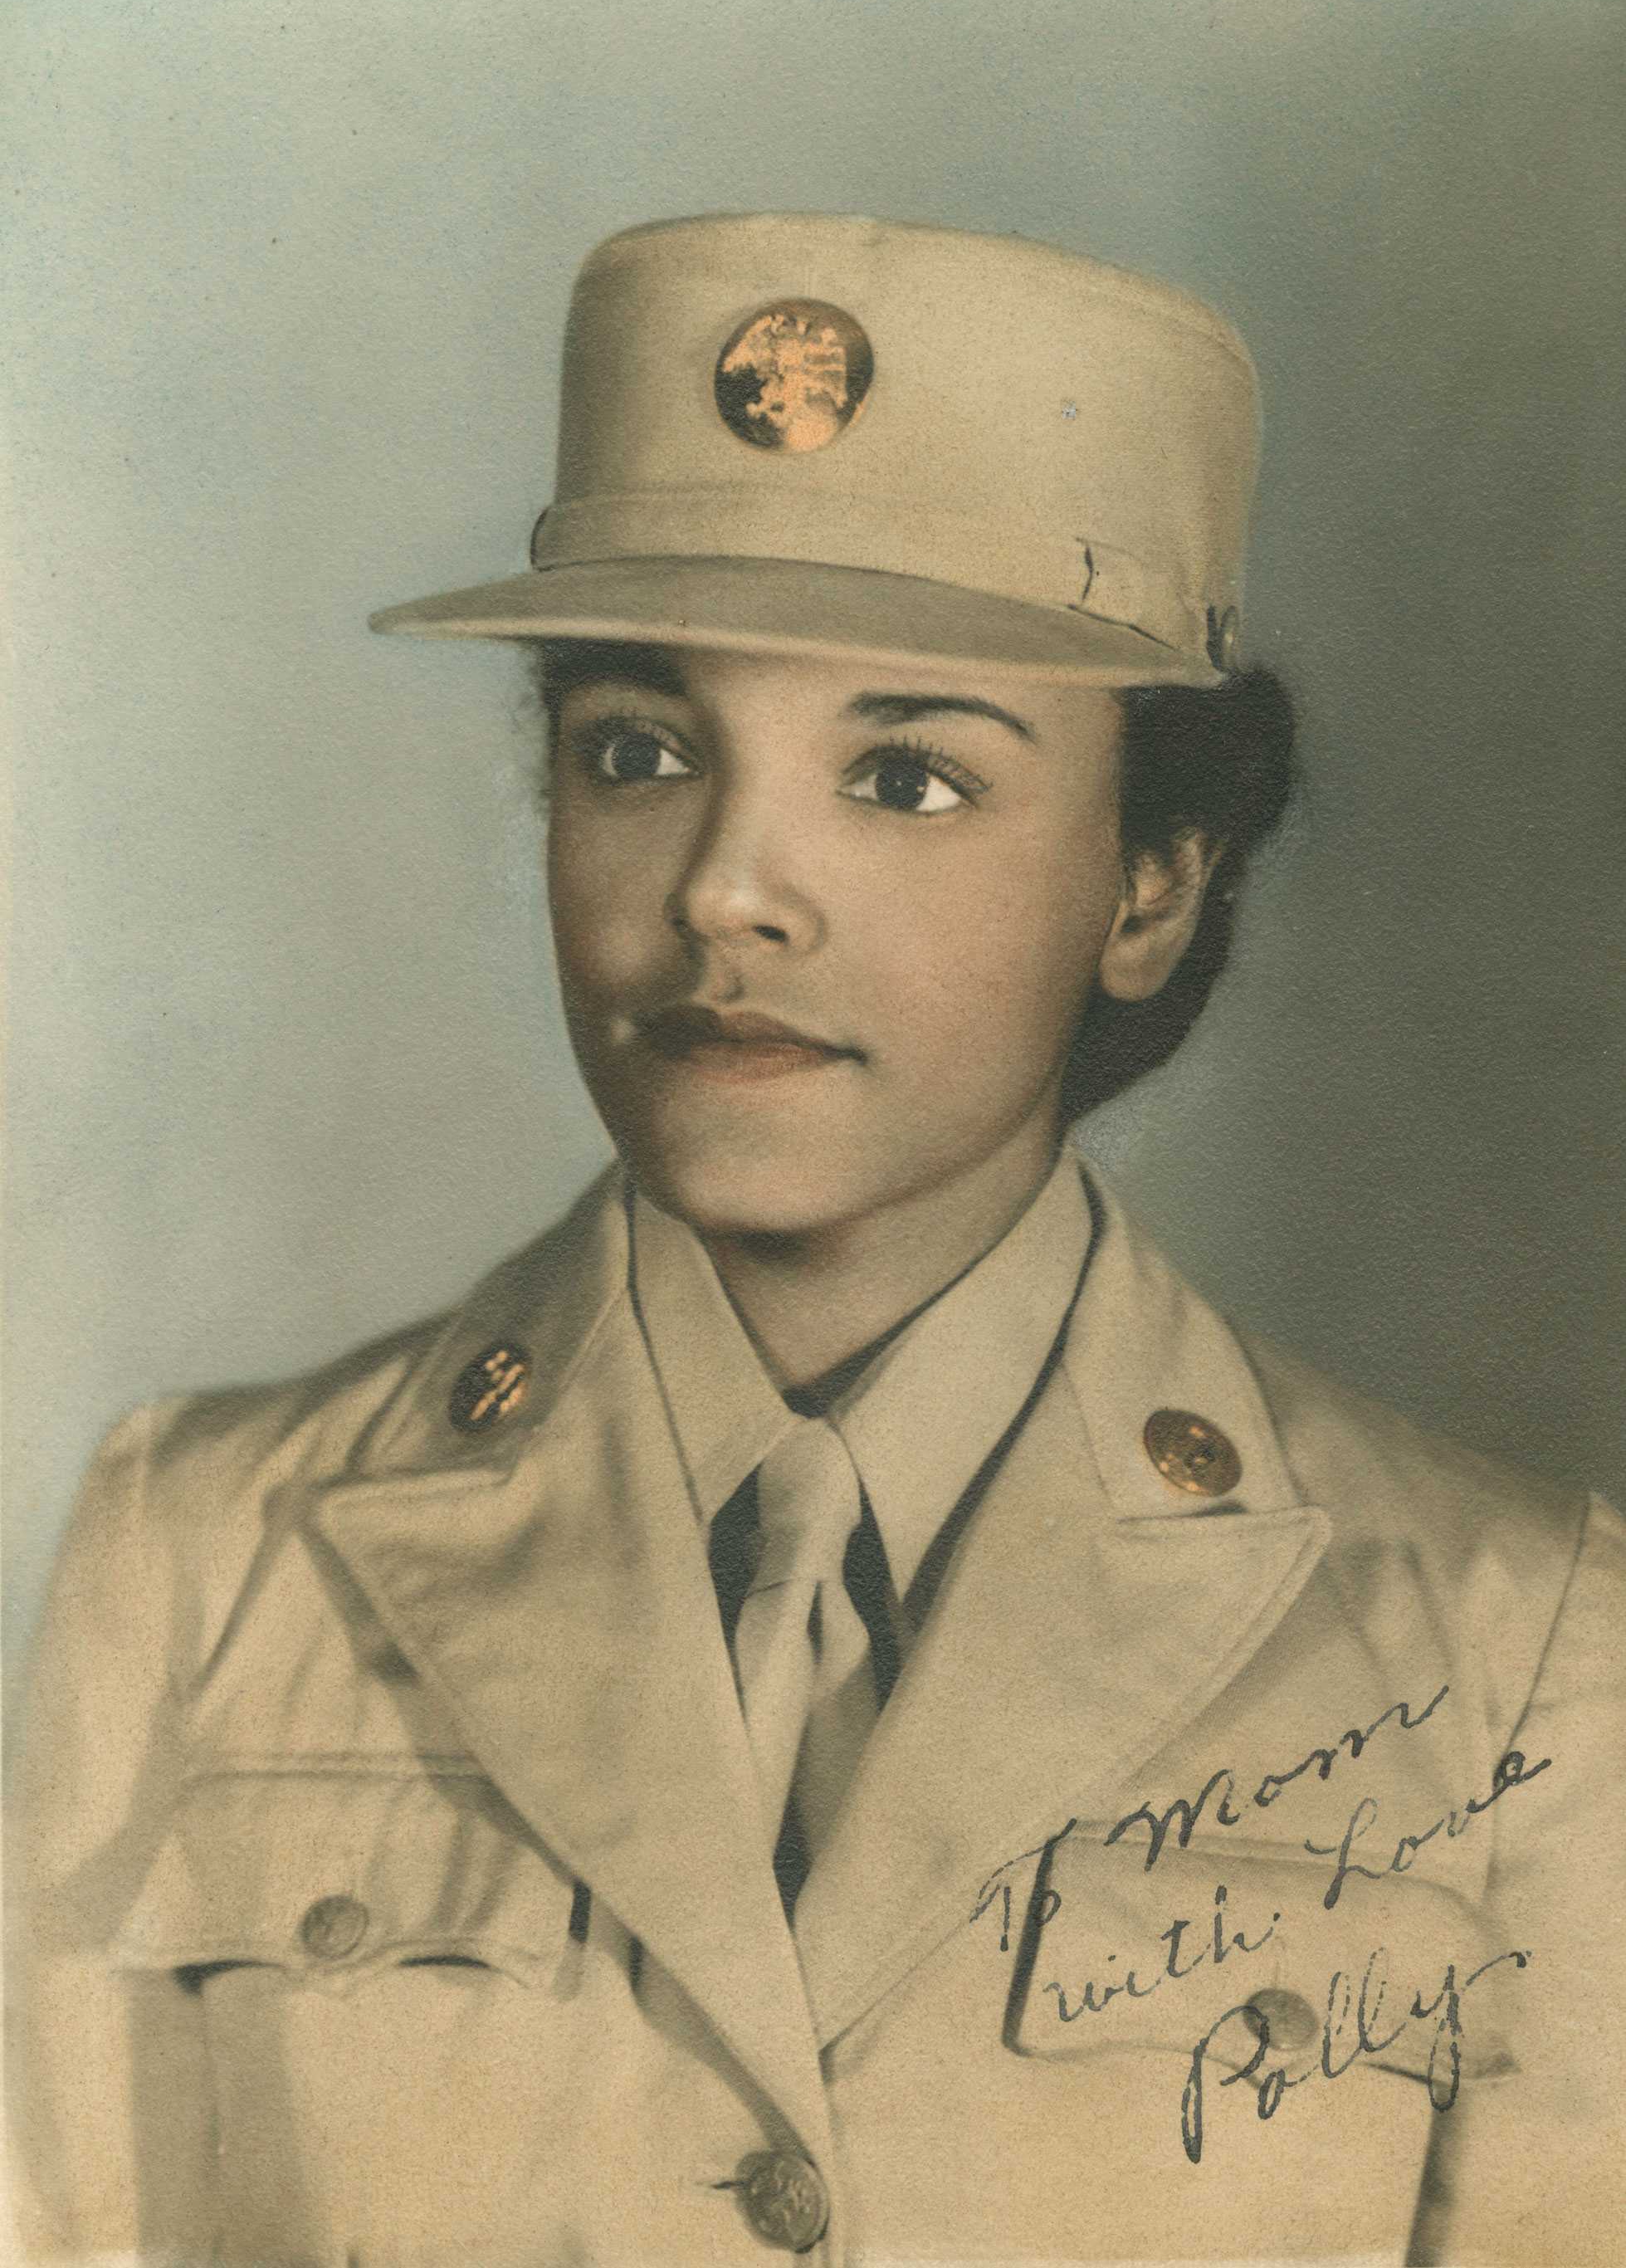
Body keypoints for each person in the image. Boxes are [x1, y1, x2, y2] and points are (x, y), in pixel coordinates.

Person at [7, 212, 1623, 2268]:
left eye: (904, 774)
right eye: (639, 750)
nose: (725, 892)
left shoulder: (1520, 1657)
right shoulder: (205, 1549)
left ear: (1144, 884)